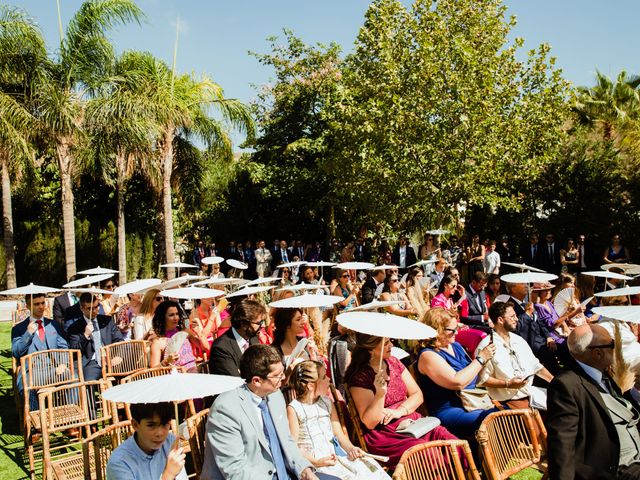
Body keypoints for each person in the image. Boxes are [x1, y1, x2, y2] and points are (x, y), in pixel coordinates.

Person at [201, 344, 317, 479]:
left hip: (283, 473)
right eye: (277, 376)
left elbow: (286, 440)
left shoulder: (275, 395)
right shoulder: (225, 410)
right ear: (256, 381)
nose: (283, 379)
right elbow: (236, 470)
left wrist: (304, 469)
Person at [345, 332, 459, 467]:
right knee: (427, 454)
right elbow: (370, 422)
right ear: (371, 348)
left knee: (454, 444)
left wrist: (399, 411)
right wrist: (380, 394)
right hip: (385, 434)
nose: (391, 345)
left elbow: (417, 394)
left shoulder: (393, 362)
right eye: (386, 343)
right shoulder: (360, 377)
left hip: (412, 422)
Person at [547, 324, 640, 479]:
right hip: (616, 470)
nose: (615, 349)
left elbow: (620, 408)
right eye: (612, 345)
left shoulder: (601, 373)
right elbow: (562, 444)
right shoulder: (566, 385)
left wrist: (636, 389)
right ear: (597, 353)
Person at [287, 360, 390, 479]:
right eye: (324, 377)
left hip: (335, 455)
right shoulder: (294, 409)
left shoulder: (326, 402)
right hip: (314, 463)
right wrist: (316, 461)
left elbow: (338, 434)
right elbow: (293, 447)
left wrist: (351, 448)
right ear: (310, 385)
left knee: (370, 469)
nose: (328, 380)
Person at [416, 307, 499, 438]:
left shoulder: (456, 346)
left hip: (472, 400)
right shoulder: (428, 355)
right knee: (493, 419)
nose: (456, 333)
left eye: (457, 328)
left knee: (508, 412)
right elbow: (457, 382)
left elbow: (472, 374)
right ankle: (490, 457)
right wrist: (481, 358)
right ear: (437, 330)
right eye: (452, 330)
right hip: (450, 408)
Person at [475, 302, 553, 409]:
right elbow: (483, 379)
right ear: (500, 320)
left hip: (532, 395)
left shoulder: (519, 340)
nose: (516, 319)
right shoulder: (486, 346)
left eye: (515, 316)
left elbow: (537, 367)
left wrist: (555, 382)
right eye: (512, 316)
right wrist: (507, 384)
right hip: (507, 402)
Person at [12, 293, 69, 408]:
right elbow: (16, 352)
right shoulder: (18, 329)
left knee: (74, 377)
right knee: (27, 387)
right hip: (31, 372)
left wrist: (63, 363)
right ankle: (36, 422)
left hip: (54, 369)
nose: (41, 307)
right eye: (37, 304)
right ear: (28, 306)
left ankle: (70, 418)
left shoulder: (53, 324)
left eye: (43, 303)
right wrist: (28, 333)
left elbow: (63, 347)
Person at [106, 402, 188, 480]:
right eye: (151, 425)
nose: (159, 433)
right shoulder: (119, 462)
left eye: (165, 424)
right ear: (135, 425)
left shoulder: (171, 442)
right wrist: (168, 475)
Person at [67, 293, 126, 380]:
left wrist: (118, 355)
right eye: (90, 308)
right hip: (92, 362)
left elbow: (119, 340)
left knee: (130, 372)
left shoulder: (106, 320)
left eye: (96, 306)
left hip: (110, 358)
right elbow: (74, 351)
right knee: (90, 382)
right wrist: (85, 335)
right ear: (82, 309)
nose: (94, 311)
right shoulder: (74, 327)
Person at [507, 282, 559, 374]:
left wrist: (548, 337)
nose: (526, 286)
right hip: (528, 340)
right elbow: (516, 327)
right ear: (513, 289)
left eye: (526, 284)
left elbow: (540, 323)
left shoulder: (528, 303)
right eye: (522, 284)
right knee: (547, 354)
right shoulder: (509, 305)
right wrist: (527, 313)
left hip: (540, 339)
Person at [208, 299, 266, 376]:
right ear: (244, 324)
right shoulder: (221, 348)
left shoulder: (253, 338)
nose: (262, 326)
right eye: (259, 323)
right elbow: (235, 380)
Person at [149, 300, 207, 372]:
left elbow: (205, 348)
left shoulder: (185, 333)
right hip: (176, 378)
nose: (176, 318)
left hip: (194, 373)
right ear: (162, 318)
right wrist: (166, 362)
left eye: (177, 314)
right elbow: (153, 371)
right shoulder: (158, 342)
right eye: (171, 315)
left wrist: (199, 333)